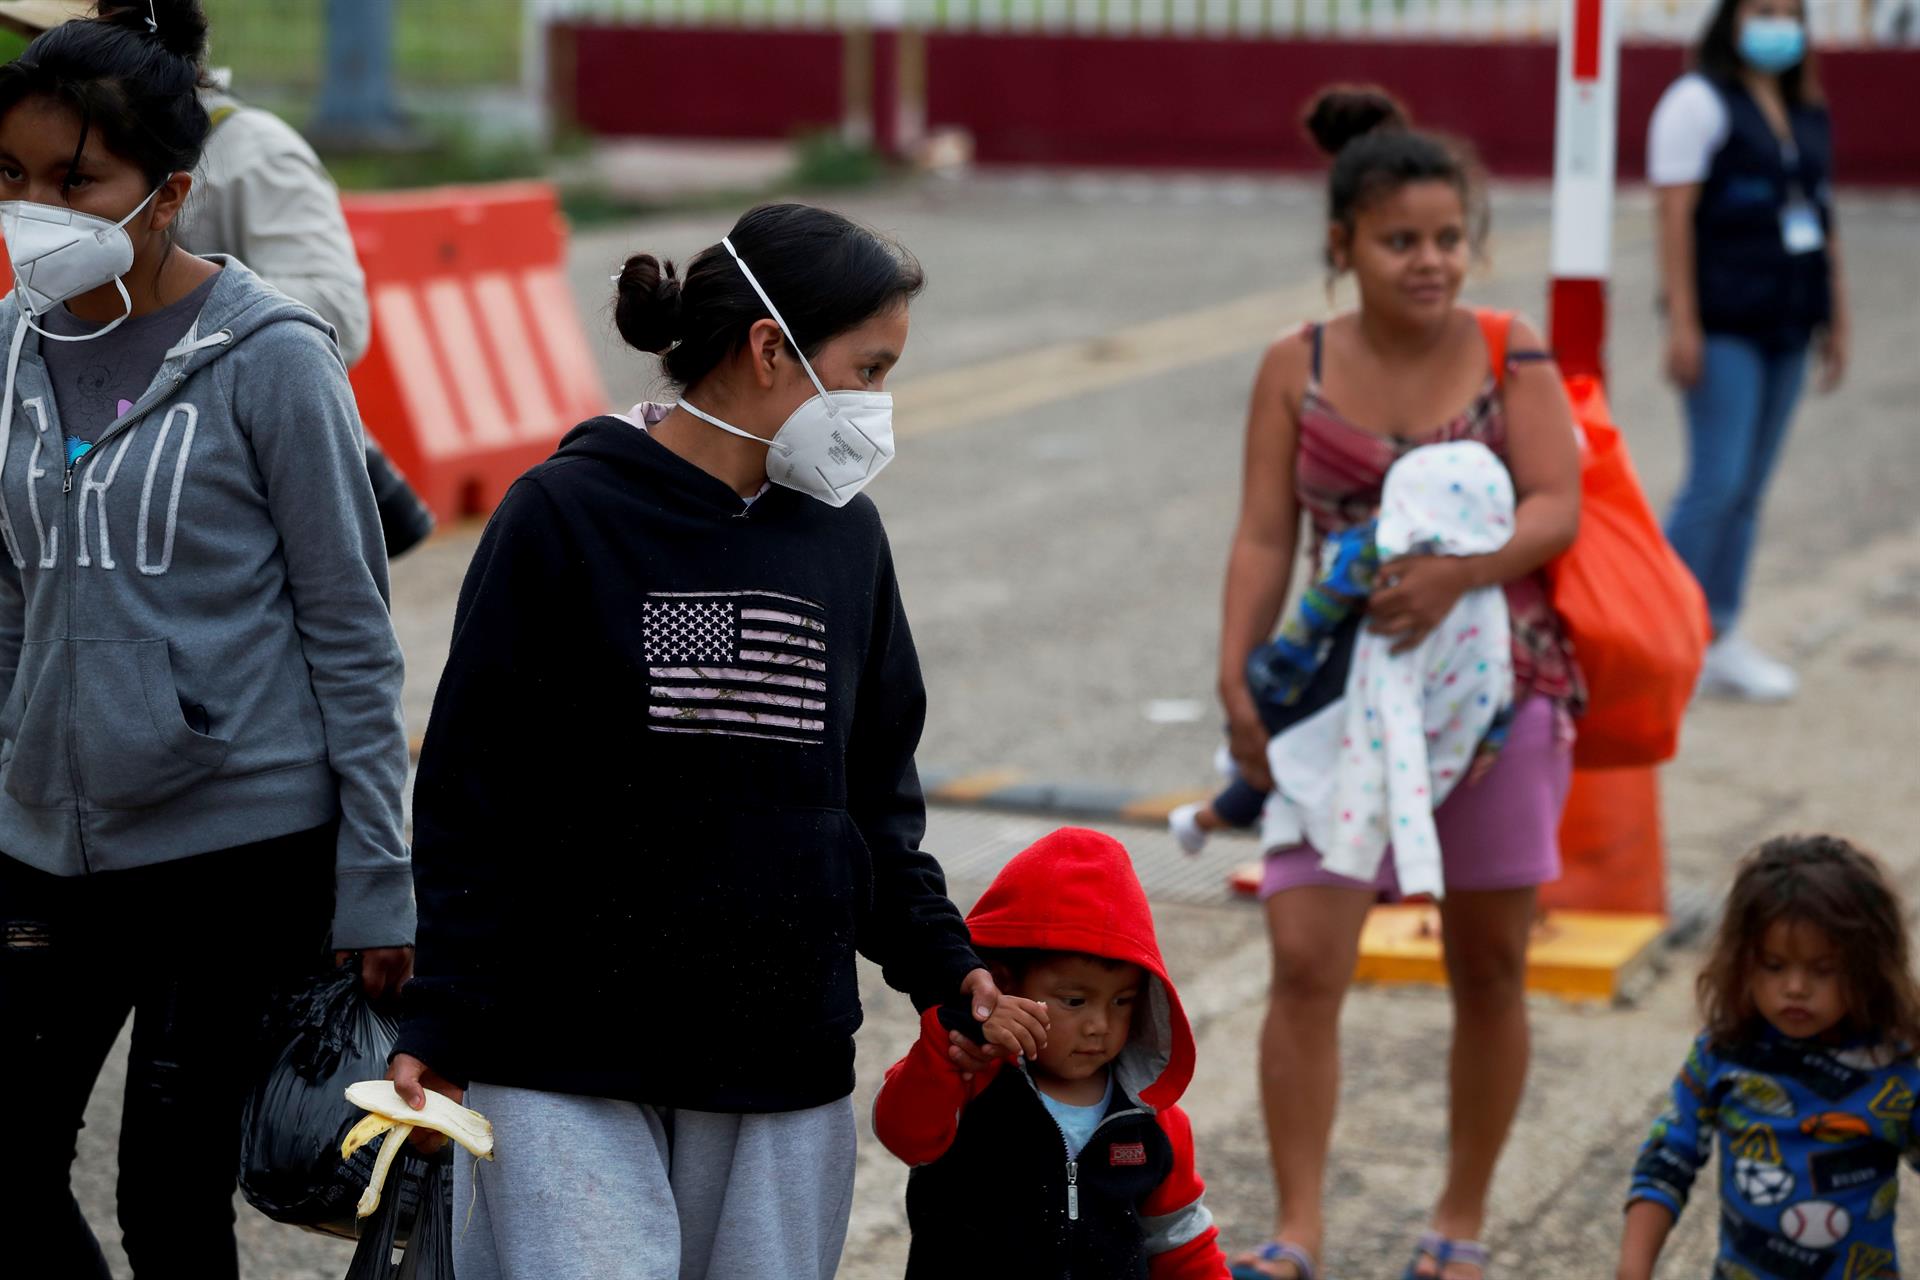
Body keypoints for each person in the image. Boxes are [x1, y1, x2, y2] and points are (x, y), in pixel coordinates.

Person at [389, 201, 1025, 1280]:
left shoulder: (845, 539)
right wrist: (442, 1015)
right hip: (562, 1045)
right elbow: (471, 791)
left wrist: (941, 966)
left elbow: (872, 799)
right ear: (771, 348)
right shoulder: (560, 514)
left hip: (778, 1055)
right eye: (867, 370)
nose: (877, 408)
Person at [0, 4, 414, 1277]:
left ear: (171, 192)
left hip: (234, 850)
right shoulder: (11, 347)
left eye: (78, 181)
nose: (38, 208)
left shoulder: (273, 357)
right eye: (14, 177)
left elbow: (352, 629)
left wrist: (378, 874)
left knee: (168, 1194)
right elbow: (12, 599)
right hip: (45, 847)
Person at [1217, 87, 1583, 1280]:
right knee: (1306, 955)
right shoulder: (1294, 363)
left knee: (1488, 963)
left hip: (1499, 695)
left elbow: (1555, 506)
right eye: (1399, 240)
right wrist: (1238, 681)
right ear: (1344, 247)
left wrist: (1456, 575)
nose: (1429, 262)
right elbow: (1266, 537)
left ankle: (1462, 1218)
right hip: (1333, 700)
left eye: (1446, 238)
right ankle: (1299, 1226)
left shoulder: (1507, 344)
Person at [0, 0, 435, 558]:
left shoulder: (253, 152)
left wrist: (178, 298)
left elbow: (339, 312)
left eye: (56, 40)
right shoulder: (14, 335)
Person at [874, 826, 1229, 1278]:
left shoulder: (1150, 1117)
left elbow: (1182, 1243)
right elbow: (902, 1133)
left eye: (1122, 1001)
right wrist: (952, 1034)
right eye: (1074, 1001)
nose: (1099, 1024)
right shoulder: (969, 1075)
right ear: (1005, 986)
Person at [1172, 440, 1516, 861]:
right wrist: (1494, 734)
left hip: (1340, 693)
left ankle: (1201, 819)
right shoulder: (1485, 593)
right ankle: (1206, 810)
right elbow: (1495, 674)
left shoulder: (1372, 550)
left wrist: (1277, 675)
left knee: (1281, 755)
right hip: (1415, 716)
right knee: (1291, 763)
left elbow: (1316, 614)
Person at [1648, 0, 1845, 702]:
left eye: (1789, 13)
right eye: (1762, 9)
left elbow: (1822, 214)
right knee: (1716, 483)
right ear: (1731, 19)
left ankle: (1718, 632)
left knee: (1750, 490)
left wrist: (1837, 317)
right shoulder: (1697, 102)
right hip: (1724, 324)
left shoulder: (1806, 105)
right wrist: (1683, 321)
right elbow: (1672, 215)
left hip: (1789, 323)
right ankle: (1652, 632)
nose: (1776, 25)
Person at [1617, 835, 1920, 1280]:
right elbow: (1668, 1158)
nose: (1795, 987)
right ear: (1741, 961)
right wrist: (1633, 1268)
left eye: (1823, 969)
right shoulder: (1722, 1055)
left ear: (1867, 968)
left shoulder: (1891, 1071)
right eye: (1774, 965)